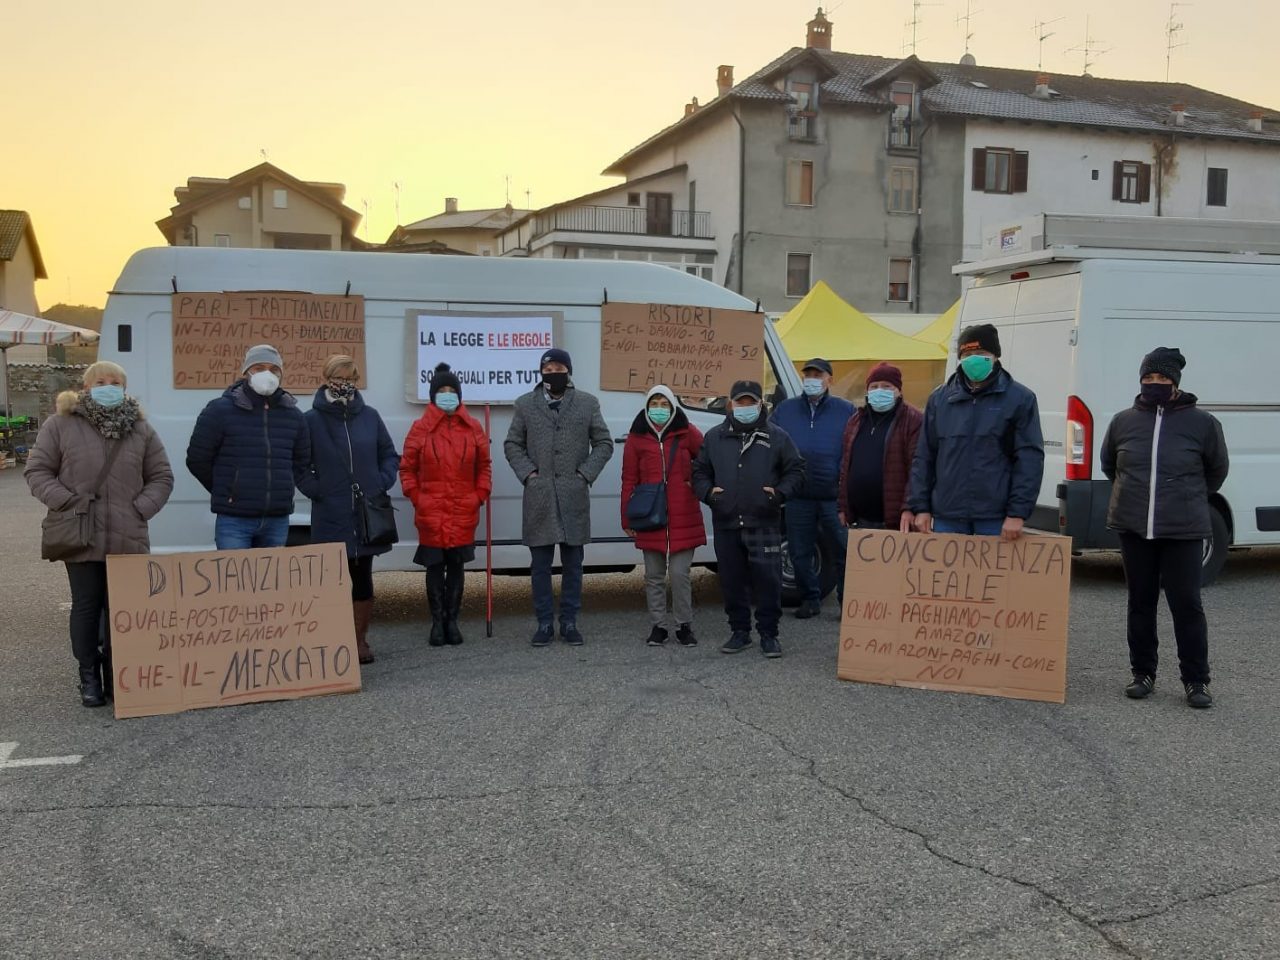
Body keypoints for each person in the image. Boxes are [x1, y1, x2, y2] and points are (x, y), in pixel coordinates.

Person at [25, 361, 174, 707]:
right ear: (86, 386)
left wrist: (141, 508)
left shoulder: (141, 430)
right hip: (81, 534)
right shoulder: (60, 425)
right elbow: (37, 470)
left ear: (125, 388)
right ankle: (89, 676)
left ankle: (121, 677)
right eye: (101, 381)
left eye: (116, 382)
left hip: (128, 534)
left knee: (123, 610)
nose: (109, 386)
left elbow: (162, 477)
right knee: (87, 607)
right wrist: (66, 501)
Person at [1100, 347, 1228, 709]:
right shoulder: (1123, 421)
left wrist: (1186, 497)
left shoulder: (1202, 423)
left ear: (1175, 382)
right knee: (1140, 602)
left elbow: (1216, 471)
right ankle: (1142, 673)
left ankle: (1196, 680)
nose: (1155, 383)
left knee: (1186, 604)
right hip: (1134, 526)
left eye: (1162, 378)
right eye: (1149, 378)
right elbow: (1111, 465)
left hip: (1183, 528)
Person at [504, 348, 614, 646]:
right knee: (540, 566)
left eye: (559, 366)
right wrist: (528, 474)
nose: (554, 371)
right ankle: (543, 624)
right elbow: (512, 444)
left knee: (573, 565)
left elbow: (604, 443)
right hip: (538, 496)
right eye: (548, 367)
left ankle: (569, 622)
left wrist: (584, 475)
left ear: (569, 370)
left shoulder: (587, 403)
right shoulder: (525, 404)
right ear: (541, 371)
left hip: (573, 496)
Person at [692, 380, 805, 659]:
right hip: (727, 521)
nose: (745, 407)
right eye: (739, 402)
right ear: (730, 405)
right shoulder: (714, 437)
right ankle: (739, 631)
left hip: (763, 520)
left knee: (768, 580)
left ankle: (769, 634)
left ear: (760, 404)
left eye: (750, 402)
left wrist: (779, 494)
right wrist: (708, 493)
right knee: (731, 580)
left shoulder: (777, 436)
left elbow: (797, 470)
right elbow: (698, 472)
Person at [301, 355, 400, 665]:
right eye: (339, 376)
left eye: (351, 377)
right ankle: (334, 640)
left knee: (362, 578)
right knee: (332, 581)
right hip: (331, 512)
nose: (345, 383)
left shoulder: (370, 416)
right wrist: (319, 492)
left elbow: (389, 454)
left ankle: (358, 640)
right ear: (327, 376)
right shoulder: (310, 420)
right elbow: (300, 466)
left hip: (366, 513)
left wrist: (380, 482)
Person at [908, 324, 1044, 540]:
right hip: (947, 515)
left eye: (981, 354)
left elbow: (1029, 459)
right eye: (968, 354)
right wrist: (921, 506)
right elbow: (924, 456)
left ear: (995, 356)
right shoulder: (940, 400)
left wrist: (1017, 513)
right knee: (948, 575)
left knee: (996, 575)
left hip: (995, 518)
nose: (974, 359)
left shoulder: (1020, 399)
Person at [401, 363, 492, 647]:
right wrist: (418, 498)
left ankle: (452, 622)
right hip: (431, 513)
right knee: (434, 566)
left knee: (456, 567)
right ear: (432, 395)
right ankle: (437, 623)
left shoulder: (473, 427)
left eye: (452, 390)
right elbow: (407, 469)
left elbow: (485, 467)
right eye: (442, 391)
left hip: (463, 511)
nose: (448, 395)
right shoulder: (420, 429)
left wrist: (479, 496)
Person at [186, 344, 311, 550]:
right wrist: (227, 490)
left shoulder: (294, 415)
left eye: (273, 369)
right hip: (234, 520)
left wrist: (283, 488)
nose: (267, 374)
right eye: (259, 367)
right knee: (233, 581)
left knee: (272, 581)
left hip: (277, 519)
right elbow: (197, 459)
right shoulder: (219, 410)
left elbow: (301, 461)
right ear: (246, 372)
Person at [620, 385, 706, 646]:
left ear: (672, 405)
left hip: (684, 514)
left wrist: (694, 480)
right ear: (647, 407)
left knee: (680, 574)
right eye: (654, 404)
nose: (659, 409)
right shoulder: (636, 438)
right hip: (649, 516)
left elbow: (706, 460)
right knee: (653, 575)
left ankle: (684, 625)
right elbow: (628, 479)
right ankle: (658, 626)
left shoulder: (687, 432)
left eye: (664, 404)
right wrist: (626, 517)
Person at [772, 358, 855, 618]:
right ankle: (810, 599)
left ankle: (847, 602)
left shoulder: (846, 409)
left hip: (834, 497)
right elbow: (772, 442)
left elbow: (853, 447)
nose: (811, 379)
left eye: (817, 374)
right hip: (798, 496)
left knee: (842, 551)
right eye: (807, 374)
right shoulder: (785, 409)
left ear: (829, 378)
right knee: (799, 552)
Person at [837, 363, 924, 535]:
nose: (879, 390)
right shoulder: (856, 421)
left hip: (897, 522)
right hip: (860, 520)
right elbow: (845, 467)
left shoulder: (913, 420)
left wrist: (909, 507)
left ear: (898, 390)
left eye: (887, 386)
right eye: (874, 386)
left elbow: (918, 468)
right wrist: (843, 507)